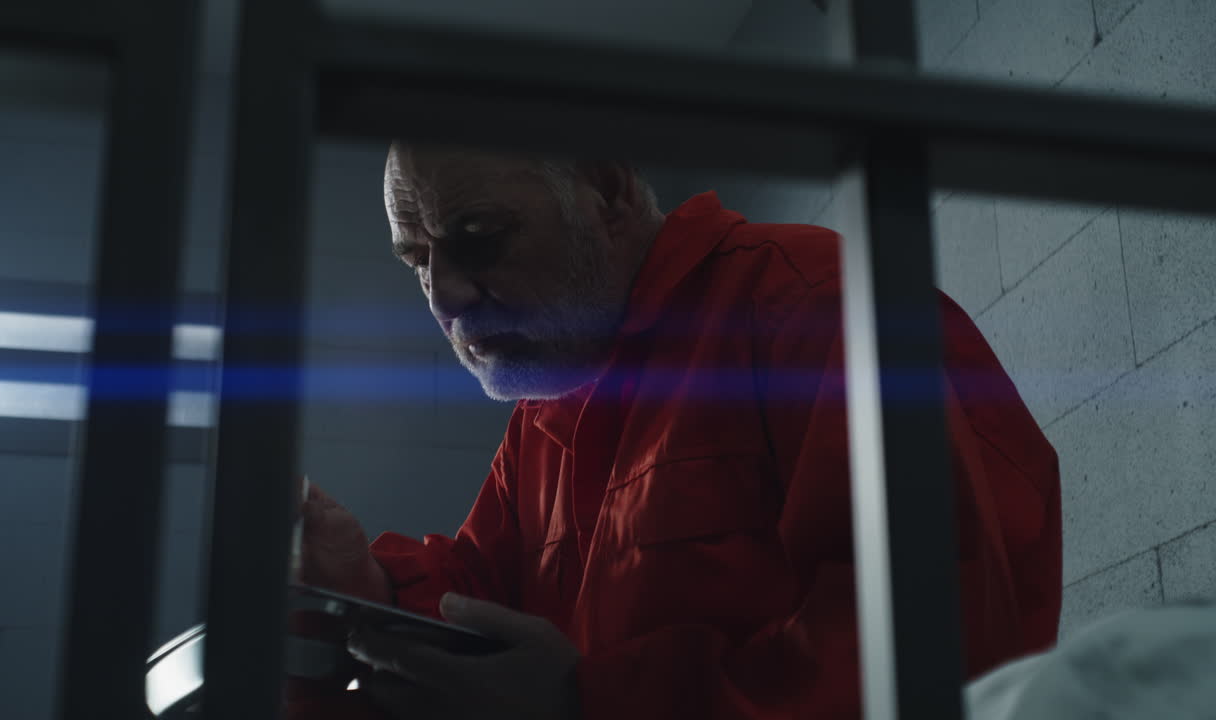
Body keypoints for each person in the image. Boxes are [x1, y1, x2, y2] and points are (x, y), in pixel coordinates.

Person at [288, 143, 1063, 719]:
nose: (445, 296)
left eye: (480, 235)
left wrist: (583, 703)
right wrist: (368, 588)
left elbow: (934, 653)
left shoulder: (816, 309)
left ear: (608, 191)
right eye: (417, 260)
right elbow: (483, 598)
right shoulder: (547, 413)